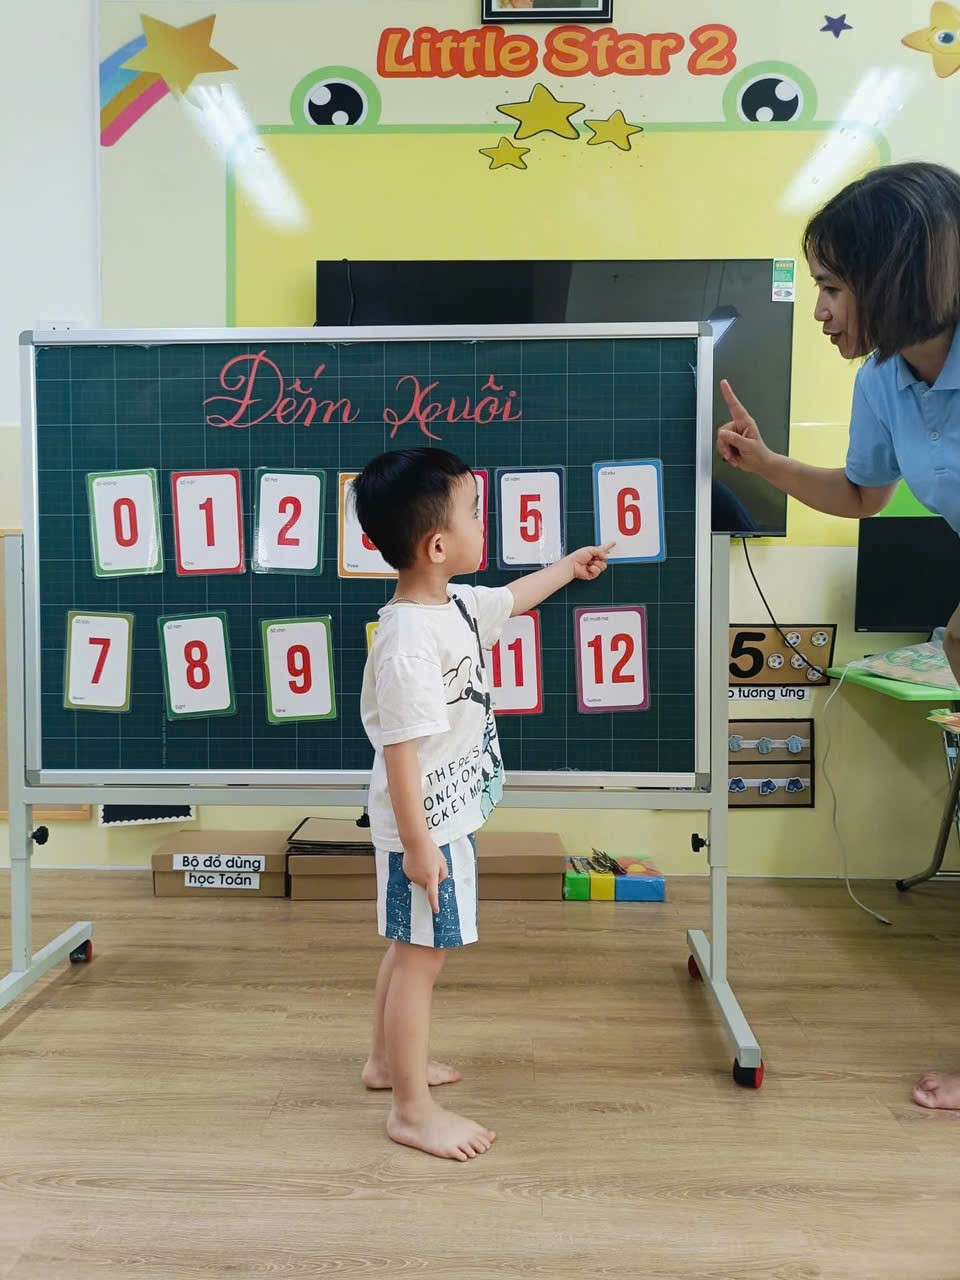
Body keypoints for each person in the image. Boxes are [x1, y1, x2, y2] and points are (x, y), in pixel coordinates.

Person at [715, 160, 960, 1112]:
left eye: (830, 286)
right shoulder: (886, 381)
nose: (818, 310)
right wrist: (763, 463)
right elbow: (864, 494)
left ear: (894, 275)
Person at [353, 447, 612, 1159]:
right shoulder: (408, 641)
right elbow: (401, 753)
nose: (483, 522)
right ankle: (411, 1110)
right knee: (422, 960)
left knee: (408, 947)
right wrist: (419, 847)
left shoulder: (455, 606)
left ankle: (384, 1063)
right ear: (438, 546)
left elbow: (513, 597)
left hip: (444, 819)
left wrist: (569, 567)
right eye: (473, 513)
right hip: (425, 829)